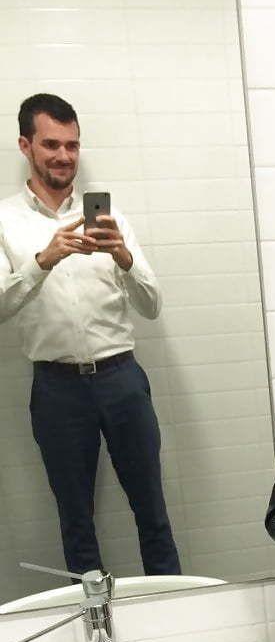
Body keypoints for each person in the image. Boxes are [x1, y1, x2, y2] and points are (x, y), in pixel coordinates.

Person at [0, 93, 181, 578]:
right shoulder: (5, 220)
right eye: (51, 144)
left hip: (122, 379)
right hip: (55, 388)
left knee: (153, 511)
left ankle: (172, 609)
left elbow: (151, 305)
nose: (64, 156)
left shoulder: (109, 216)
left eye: (73, 145)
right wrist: (43, 261)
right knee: (76, 522)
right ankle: (95, 621)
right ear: (25, 145)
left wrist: (123, 257)